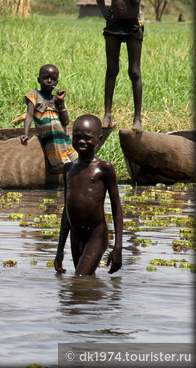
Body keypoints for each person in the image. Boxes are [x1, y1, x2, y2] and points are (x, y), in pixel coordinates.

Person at [54, 114, 123, 276]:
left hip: (96, 236)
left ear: (99, 139)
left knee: (79, 278)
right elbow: (67, 211)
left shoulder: (104, 168)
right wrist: (59, 249)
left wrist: (118, 248)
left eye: (87, 138)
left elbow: (116, 207)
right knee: (83, 284)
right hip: (75, 236)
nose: (81, 141)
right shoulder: (69, 169)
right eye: (76, 137)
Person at [95, 0, 149, 132]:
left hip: (133, 25)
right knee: (112, 70)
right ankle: (107, 115)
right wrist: (103, 10)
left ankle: (137, 119)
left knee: (134, 71)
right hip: (114, 25)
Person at [20, 64, 77, 172]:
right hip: (52, 142)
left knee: (77, 162)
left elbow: (65, 122)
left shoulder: (57, 99)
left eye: (53, 79)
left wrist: (61, 102)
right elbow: (29, 115)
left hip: (65, 139)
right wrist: (25, 134)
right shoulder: (34, 95)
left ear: (57, 83)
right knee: (66, 166)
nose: (49, 81)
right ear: (39, 80)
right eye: (45, 78)